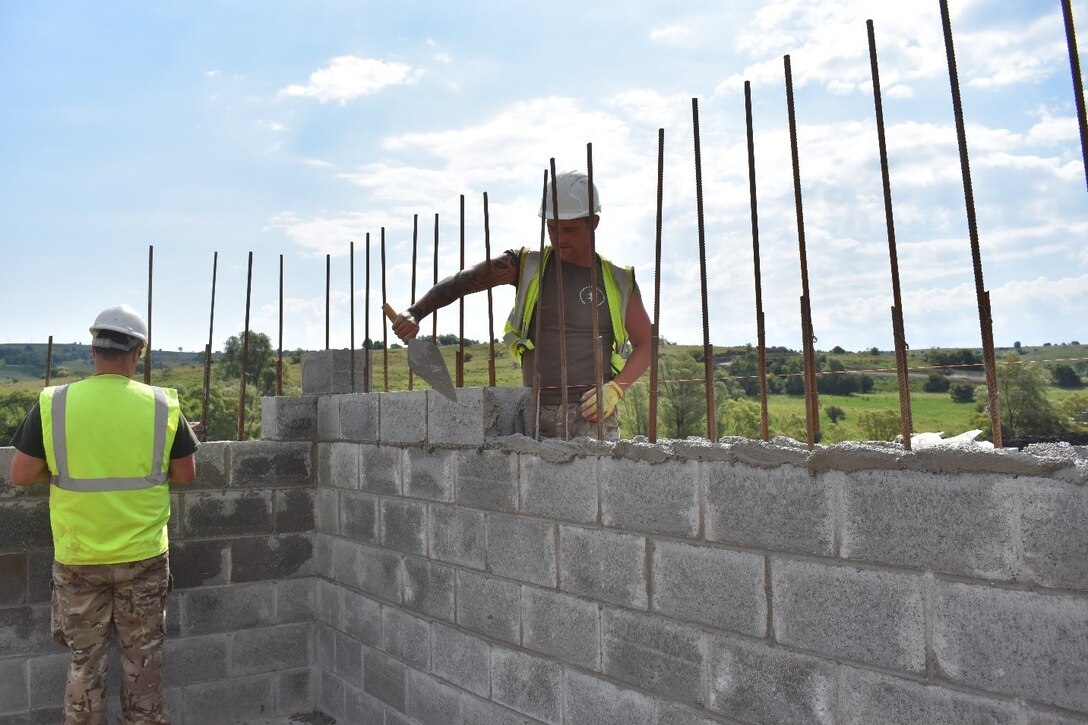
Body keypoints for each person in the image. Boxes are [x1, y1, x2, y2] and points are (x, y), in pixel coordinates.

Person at [8, 304, 199, 724]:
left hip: (78, 558)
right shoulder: (162, 405)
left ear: (94, 350)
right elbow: (186, 473)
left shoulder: (54, 402)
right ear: (137, 353)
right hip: (143, 558)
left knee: (84, 665)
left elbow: (20, 475)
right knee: (143, 663)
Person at [392, 170, 651, 438]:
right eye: (551, 228)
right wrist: (416, 312)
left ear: (594, 222)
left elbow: (646, 342)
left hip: (592, 418)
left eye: (570, 230)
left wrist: (616, 389)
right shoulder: (527, 265)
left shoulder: (618, 280)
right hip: (535, 413)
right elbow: (464, 280)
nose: (559, 238)